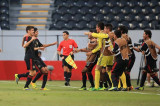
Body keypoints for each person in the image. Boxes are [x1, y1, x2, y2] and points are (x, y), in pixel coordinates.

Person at [85, 22, 111, 91]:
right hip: (109, 55)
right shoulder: (101, 34)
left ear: (98, 28)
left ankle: (96, 87)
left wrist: (90, 33)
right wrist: (91, 52)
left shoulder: (102, 34)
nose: (96, 28)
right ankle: (112, 85)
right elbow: (99, 46)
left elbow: (100, 43)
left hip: (104, 55)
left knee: (97, 69)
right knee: (108, 70)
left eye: (96, 27)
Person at [118, 25, 136, 91]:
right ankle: (127, 86)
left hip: (130, 56)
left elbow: (130, 48)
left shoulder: (124, 37)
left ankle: (128, 86)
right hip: (128, 56)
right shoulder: (125, 37)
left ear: (121, 31)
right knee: (124, 71)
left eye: (118, 29)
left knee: (126, 71)